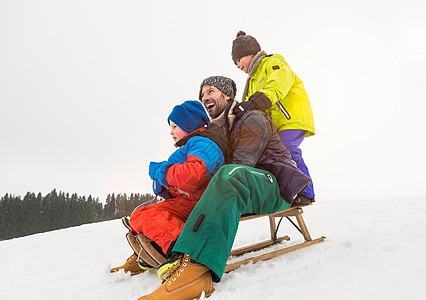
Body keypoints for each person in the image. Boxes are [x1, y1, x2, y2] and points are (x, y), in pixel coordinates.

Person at [137, 76, 311, 299]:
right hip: (246, 187)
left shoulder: (251, 117)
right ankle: (159, 249)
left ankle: (197, 270)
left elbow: (242, 165)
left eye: (210, 91)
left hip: (275, 186)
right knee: (188, 197)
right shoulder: (220, 129)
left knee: (229, 174)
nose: (205, 97)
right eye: (202, 94)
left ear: (227, 94)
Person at [110, 100, 225, 275]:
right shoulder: (192, 145)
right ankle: (152, 251)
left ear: (189, 123)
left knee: (148, 216)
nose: (171, 132)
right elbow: (186, 179)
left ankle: (185, 251)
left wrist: (161, 172)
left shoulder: (204, 144)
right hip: (187, 201)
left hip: (201, 204)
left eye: (175, 126)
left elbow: (193, 175)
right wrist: (166, 187)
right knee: (140, 215)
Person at [231, 30, 316, 204]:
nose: (238, 66)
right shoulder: (252, 81)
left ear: (250, 53)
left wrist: (256, 101)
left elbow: (279, 82)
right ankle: (283, 192)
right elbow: (250, 106)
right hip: (274, 126)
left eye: (239, 60)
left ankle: (306, 192)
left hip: (291, 118)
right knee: (271, 155)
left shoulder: (273, 62)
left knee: (287, 148)